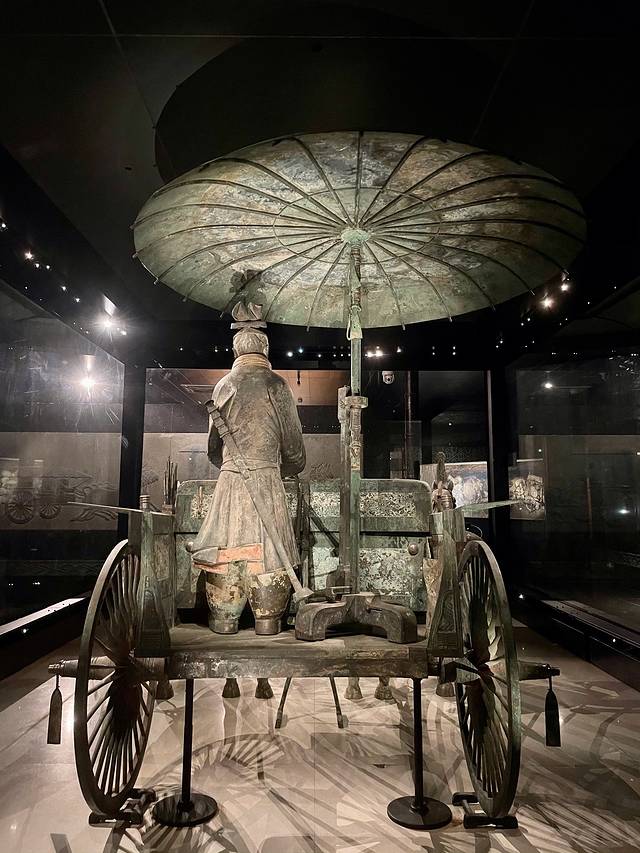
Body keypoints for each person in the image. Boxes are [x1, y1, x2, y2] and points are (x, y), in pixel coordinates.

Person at [191, 316, 306, 635]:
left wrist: (232, 466)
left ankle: (225, 617)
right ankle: (267, 619)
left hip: (230, 485)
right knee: (271, 573)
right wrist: (276, 467)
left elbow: (213, 449)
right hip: (267, 483)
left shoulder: (223, 386)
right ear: (265, 350)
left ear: (235, 351)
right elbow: (295, 452)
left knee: (223, 558)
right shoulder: (277, 385)